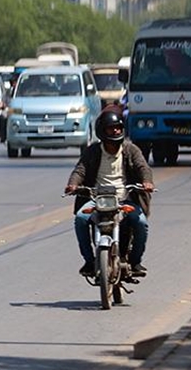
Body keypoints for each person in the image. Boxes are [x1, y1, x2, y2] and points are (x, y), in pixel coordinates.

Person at [65, 107, 154, 278]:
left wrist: (146, 182)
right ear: (102, 131)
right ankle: (89, 261)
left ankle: (135, 262)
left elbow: (143, 167)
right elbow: (80, 170)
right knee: (80, 219)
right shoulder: (92, 151)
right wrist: (73, 185)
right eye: (111, 128)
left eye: (118, 127)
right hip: (97, 200)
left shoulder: (131, 150)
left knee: (141, 222)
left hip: (125, 200)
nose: (115, 131)